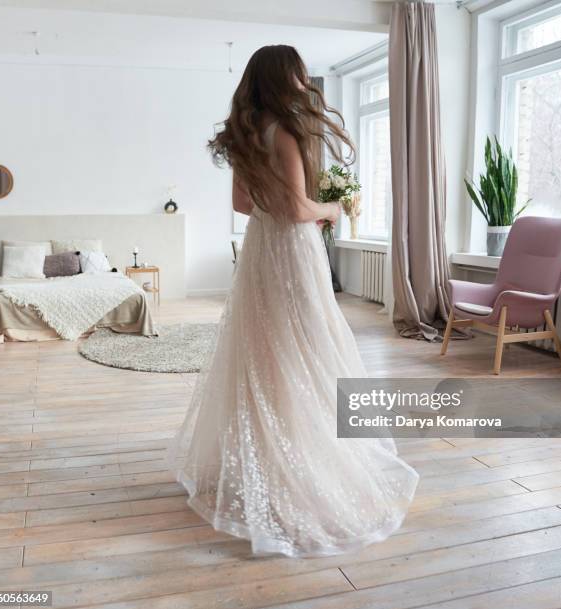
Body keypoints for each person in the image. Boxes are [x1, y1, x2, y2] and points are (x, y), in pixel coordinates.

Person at [168, 44, 418, 558]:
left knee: (266, 349)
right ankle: (301, 453)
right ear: (287, 79)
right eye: (302, 76)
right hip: (292, 249)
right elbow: (301, 208)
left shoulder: (244, 134)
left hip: (261, 247)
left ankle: (267, 449)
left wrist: (285, 200)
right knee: (307, 345)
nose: (307, 84)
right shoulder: (285, 132)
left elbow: (242, 203)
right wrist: (333, 206)